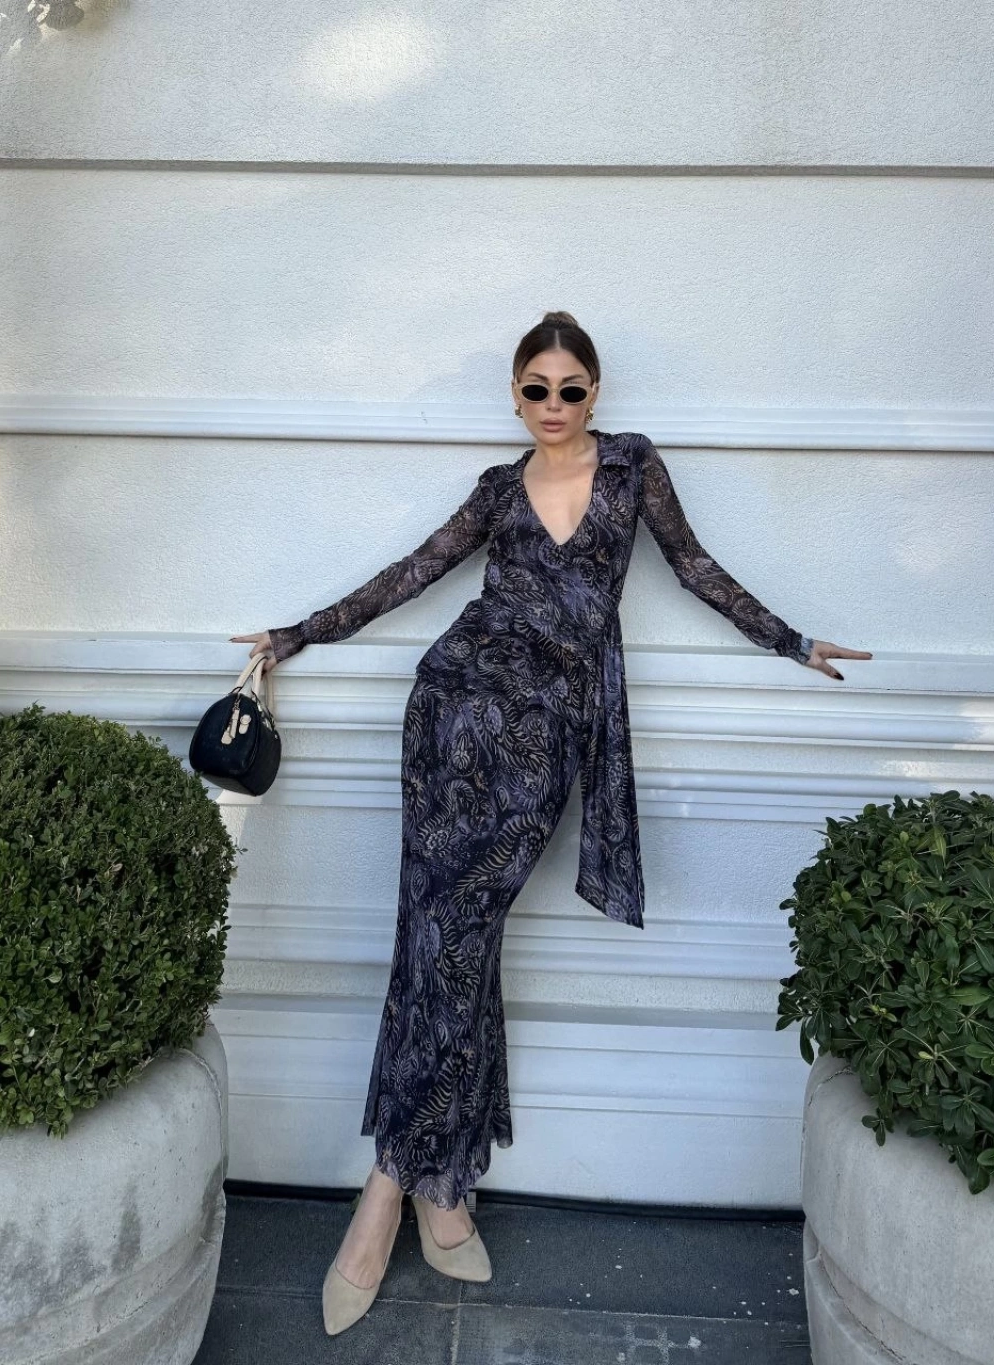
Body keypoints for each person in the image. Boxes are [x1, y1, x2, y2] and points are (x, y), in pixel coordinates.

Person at [231, 311, 872, 1334]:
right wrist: (298, 633)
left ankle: (388, 1187)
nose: (555, 406)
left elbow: (696, 568)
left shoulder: (633, 468)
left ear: (595, 393)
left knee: (455, 943)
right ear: (516, 395)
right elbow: (412, 572)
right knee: (437, 944)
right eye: (537, 389)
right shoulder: (498, 490)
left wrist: (792, 640)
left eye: (572, 389)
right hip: (449, 715)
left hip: (542, 744)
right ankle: (436, 1194)